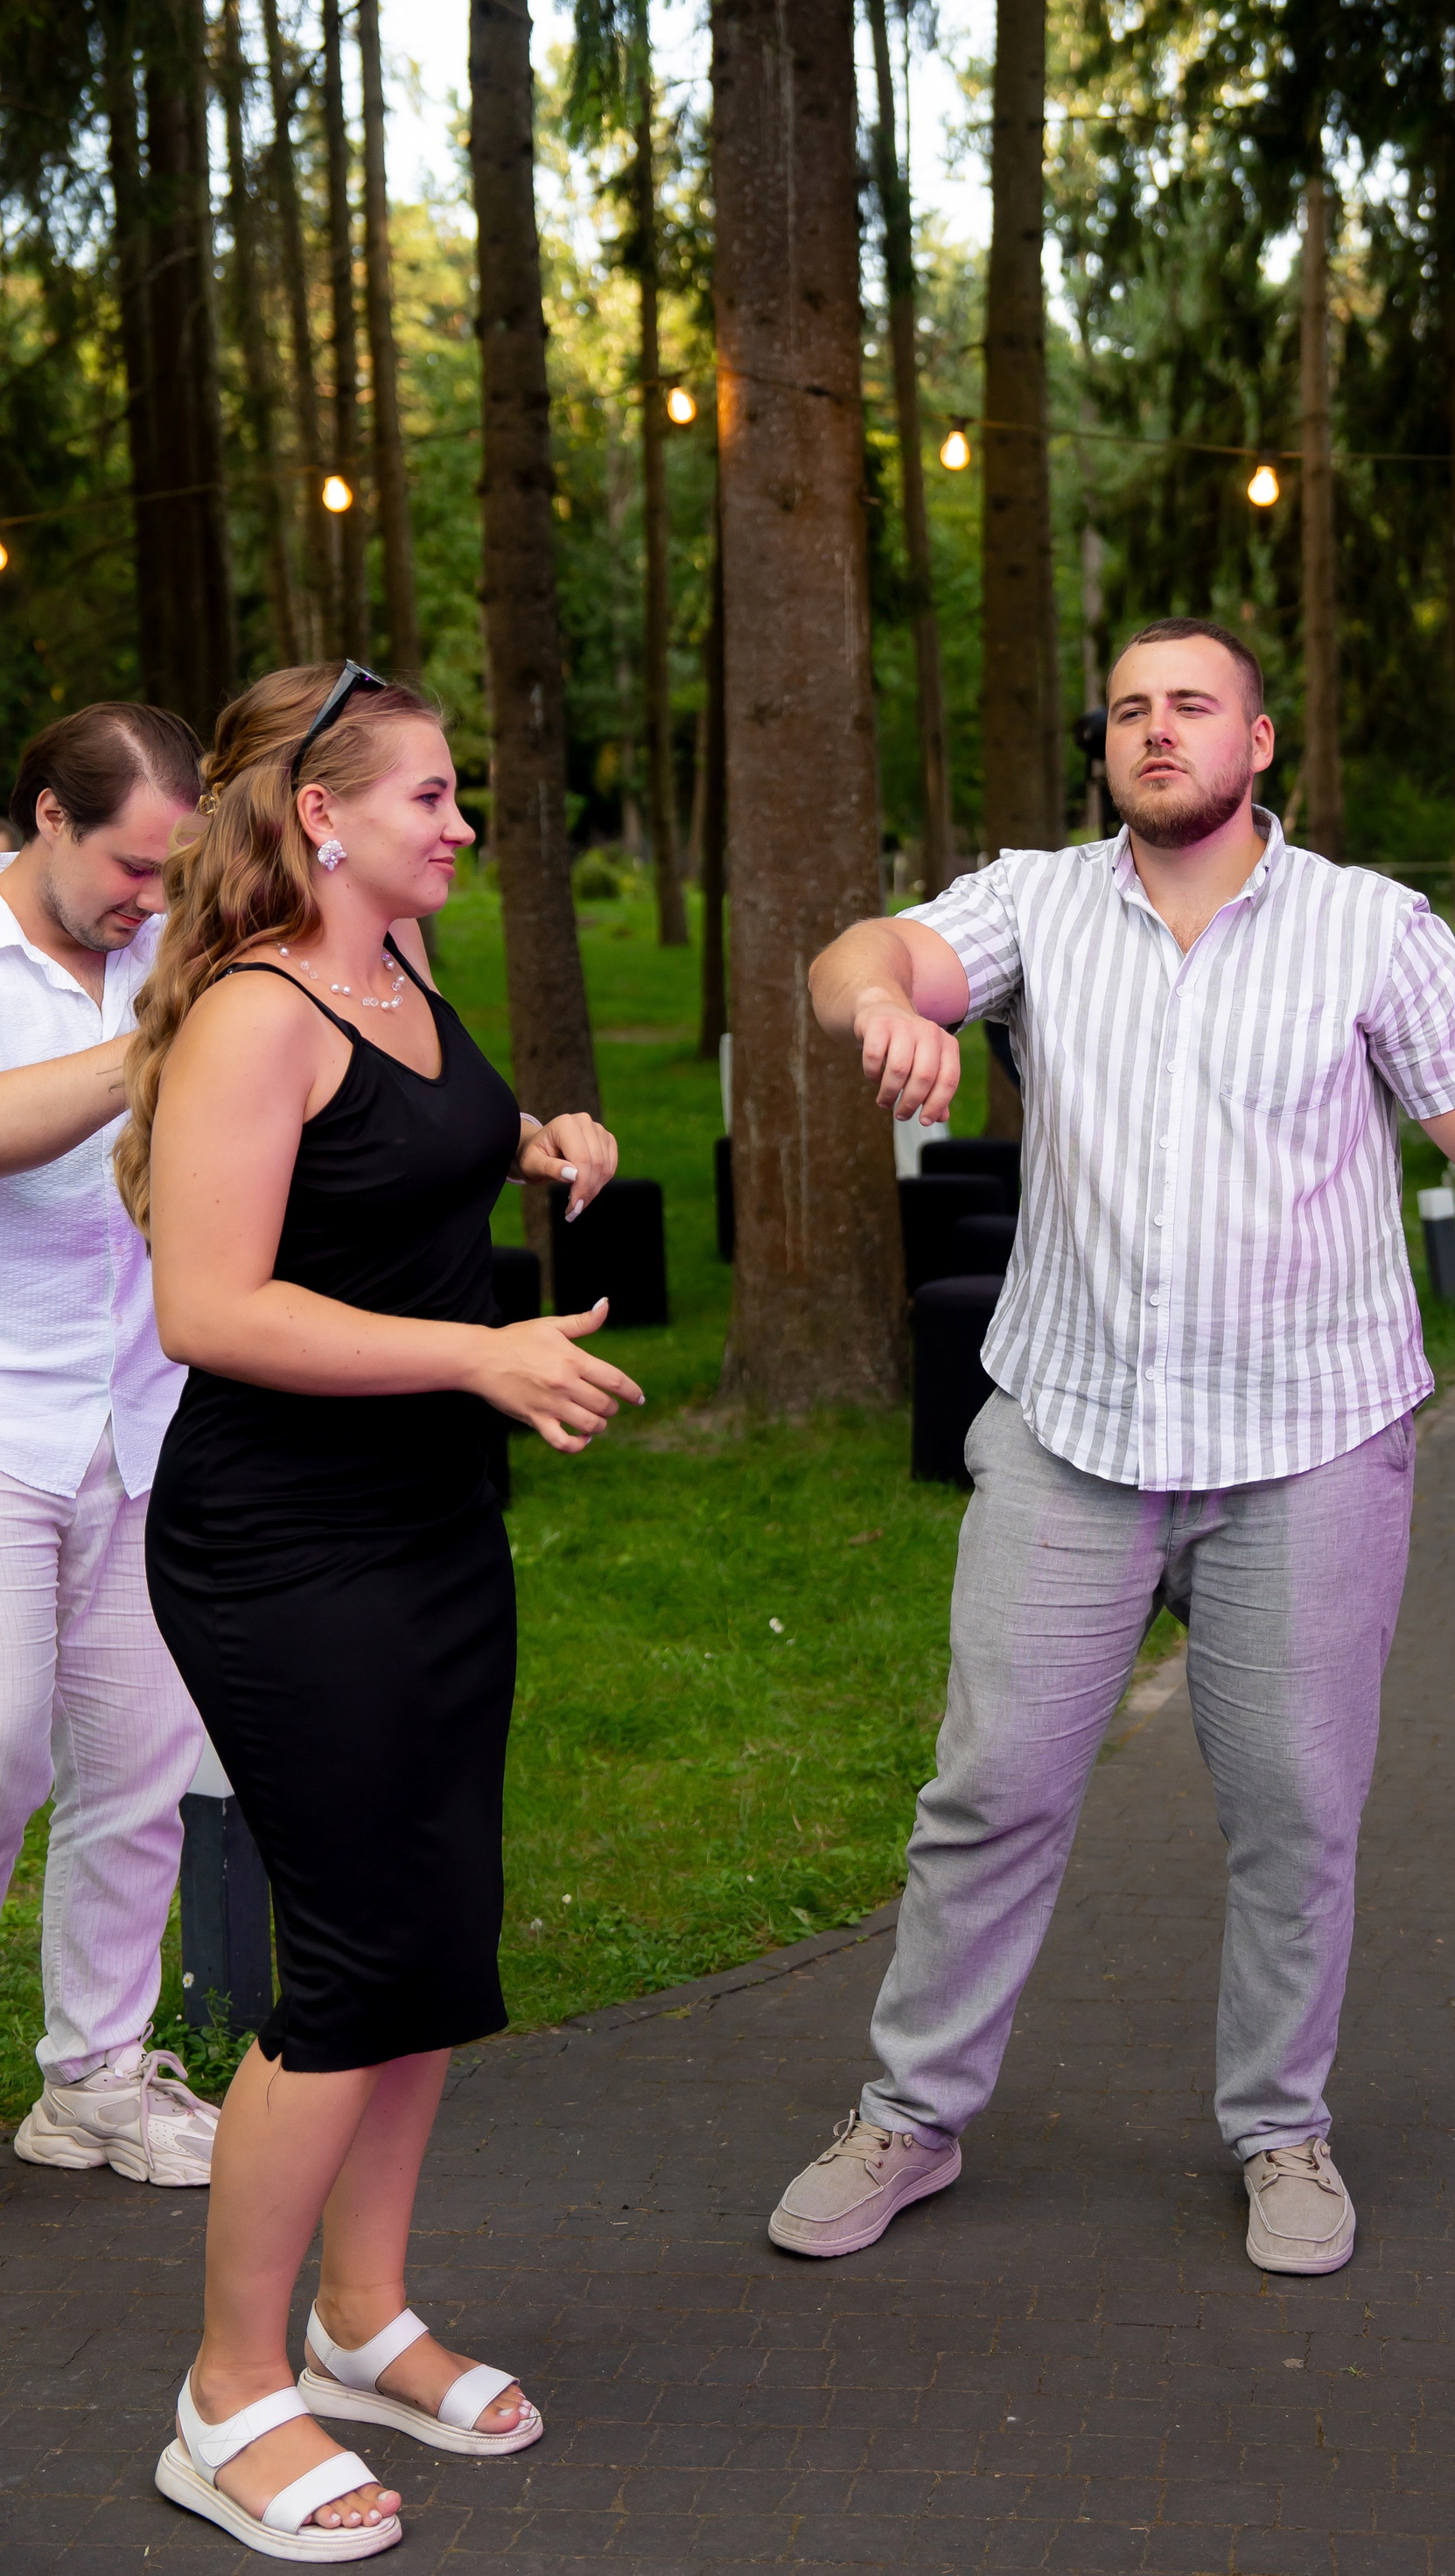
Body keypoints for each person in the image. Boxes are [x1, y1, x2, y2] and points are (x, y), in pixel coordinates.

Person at [771, 616, 1455, 2279]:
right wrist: (886, 1007)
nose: (1155, 728)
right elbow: (858, 954)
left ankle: (1283, 2127)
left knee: (1296, 1809)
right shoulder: (1039, 901)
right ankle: (911, 2113)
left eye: (1192, 704)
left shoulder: (1366, 927)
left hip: (1309, 1441)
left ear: (1256, 742)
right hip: (1072, 1431)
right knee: (989, 1789)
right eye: (1130, 707)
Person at [119, 661, 646, 2559]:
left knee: (431, 1936)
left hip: (430, 1524)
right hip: (282, 1544)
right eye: (429, 794)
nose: (462, 822)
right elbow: (210, 1306)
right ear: (321, 817)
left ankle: (361, 2318)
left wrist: (542, 1139)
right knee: (348, 1963)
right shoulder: (254, 1011)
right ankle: (227, 2394)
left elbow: (407, 1139)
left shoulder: (397, 973)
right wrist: (478, 1351)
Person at [0, 702, 223, 2188]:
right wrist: (158, 1045)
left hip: (147, 1421)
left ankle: (90, 2078)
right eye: (133, 868)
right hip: (5, 1422)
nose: (151, 899)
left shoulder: (174, 946)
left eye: (173, 873)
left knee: (142, 1769)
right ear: (48, 816)